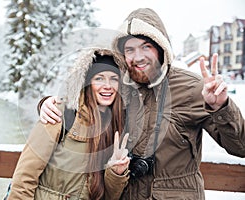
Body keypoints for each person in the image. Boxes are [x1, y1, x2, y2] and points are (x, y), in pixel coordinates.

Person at [38, 8, 245, 199]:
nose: (138, 57)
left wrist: (222, 107)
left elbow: (240, 147)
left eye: (146, 47)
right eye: (130, 49)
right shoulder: (119, 87)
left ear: (161, 48)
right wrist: (48, 104)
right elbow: (84, 107)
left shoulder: (194, 88)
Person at [8, 48, 130, 200]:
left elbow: (107, 196)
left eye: (113, 79)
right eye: (99, 78)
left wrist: (116, 173)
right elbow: (24, 179)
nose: (107, 85)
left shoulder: (115, 127)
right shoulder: (61, 115)